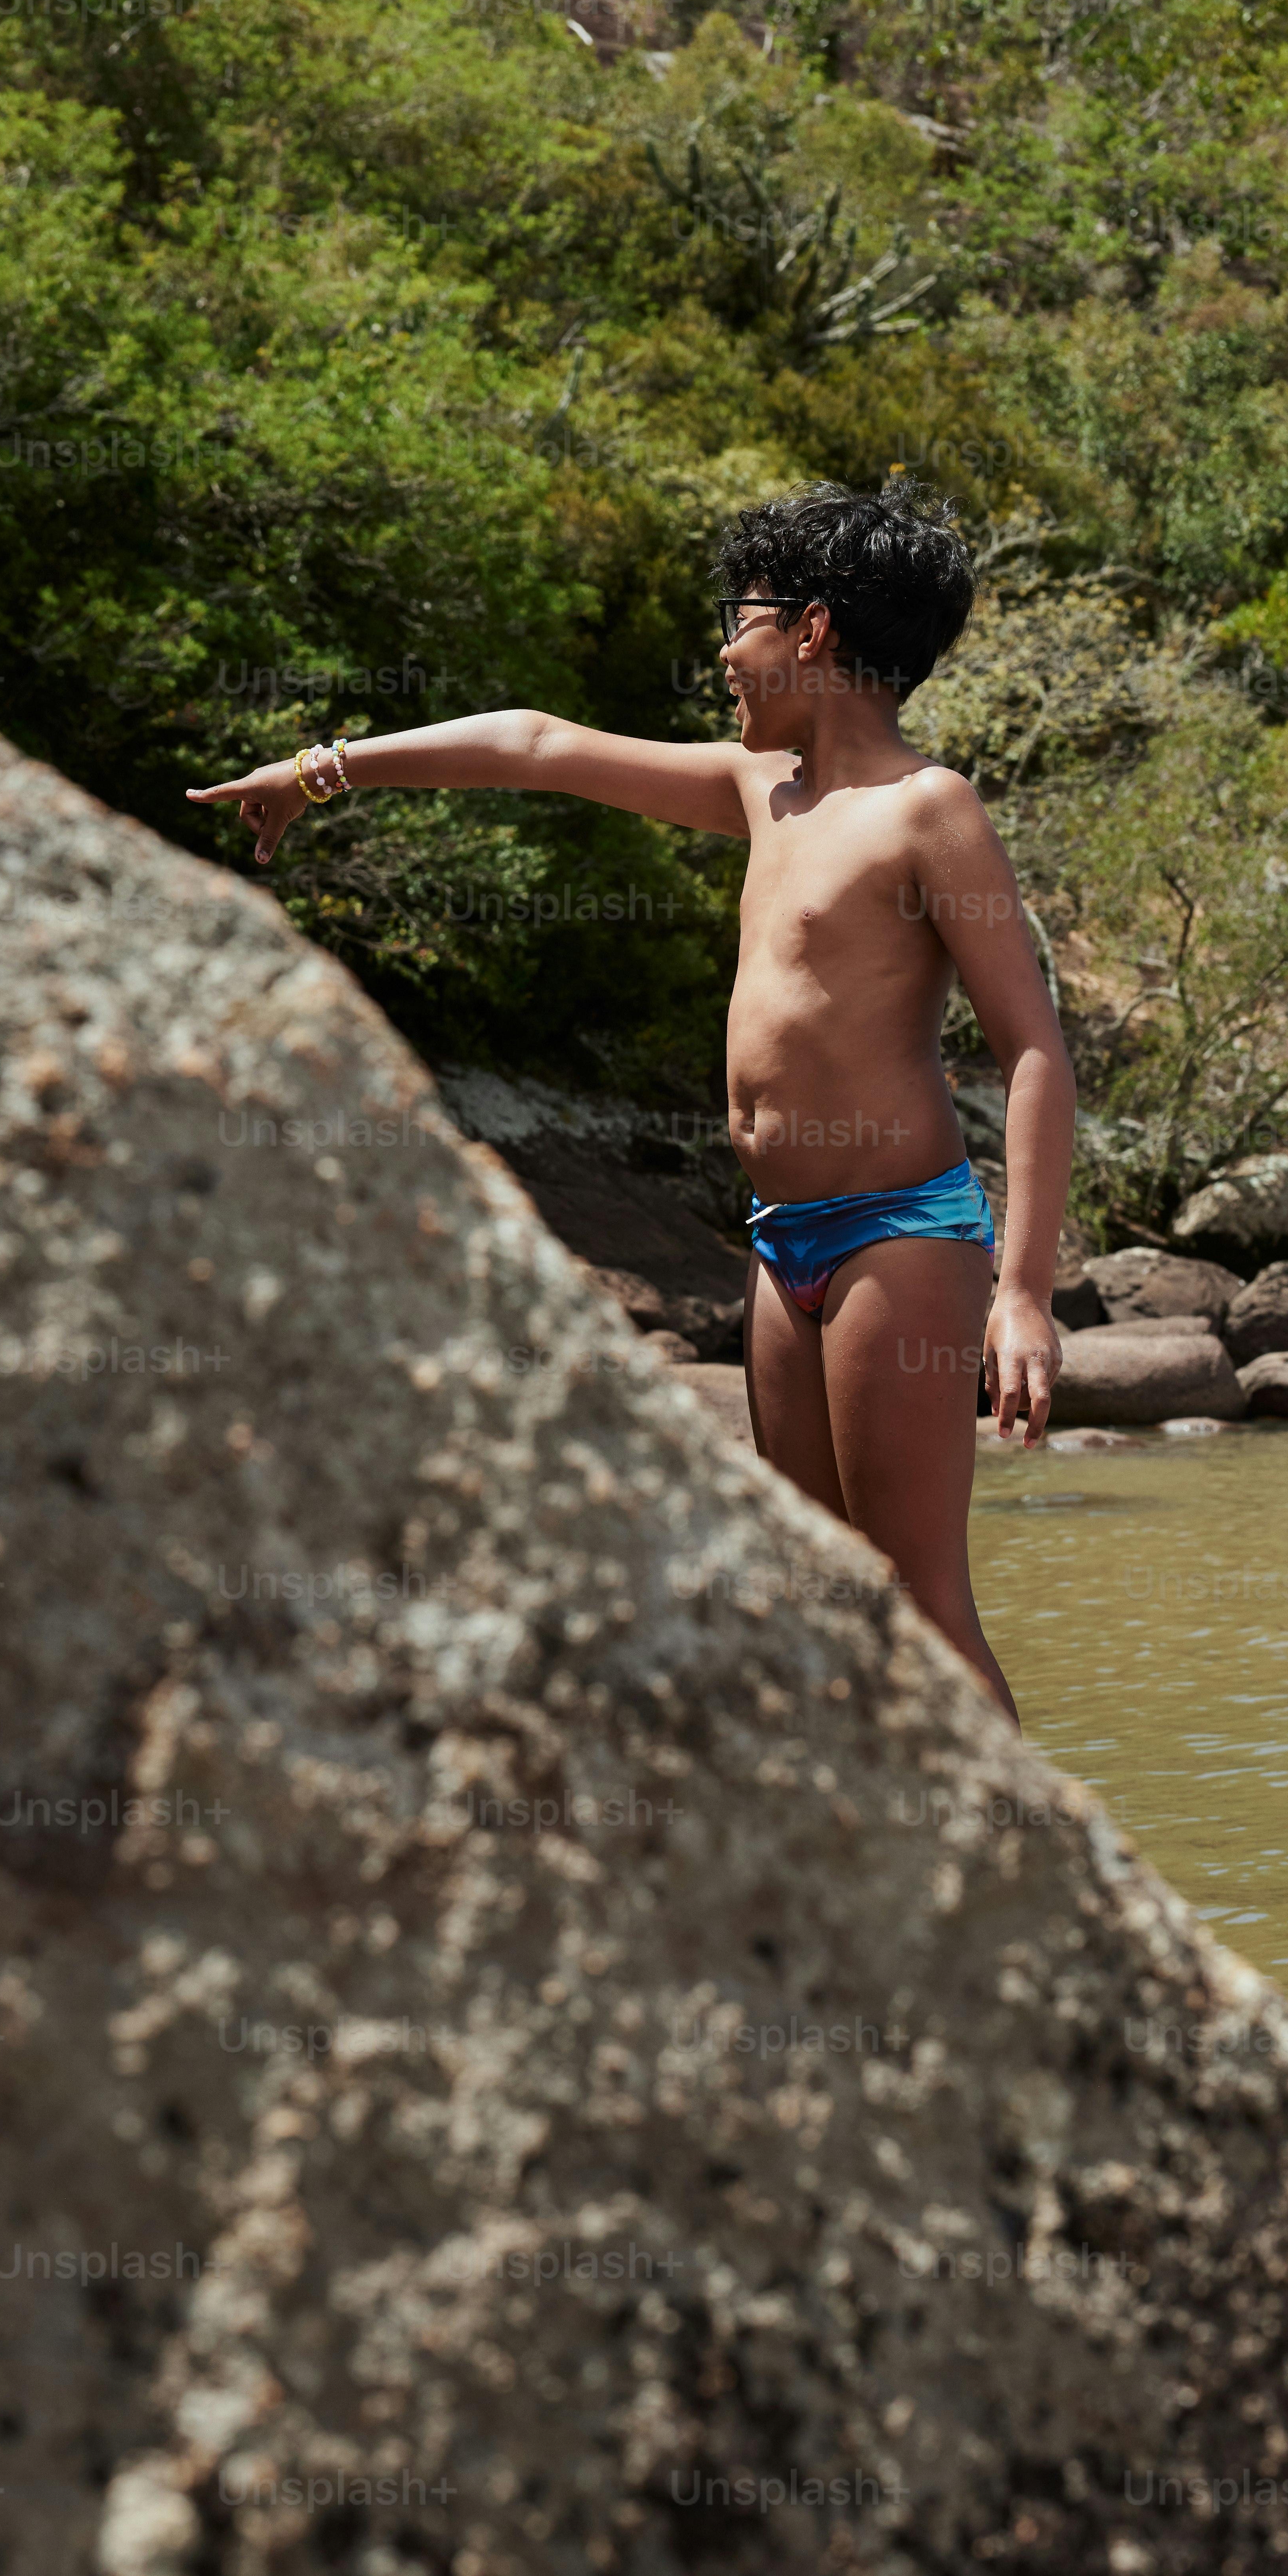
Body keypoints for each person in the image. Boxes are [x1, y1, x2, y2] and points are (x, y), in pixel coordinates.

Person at [187, 479, 1074, 1719]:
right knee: (825, 1599)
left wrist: (1022, 1293)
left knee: (917, 1601)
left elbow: (1033, 1048)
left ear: (812, 631)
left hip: (899, 1234)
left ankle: (1028, 1888)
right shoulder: (760, 791)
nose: (725, 649)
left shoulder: (926, 809)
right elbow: (541, 746)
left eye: (742, 617)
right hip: (784, 1247)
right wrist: (324, 769)